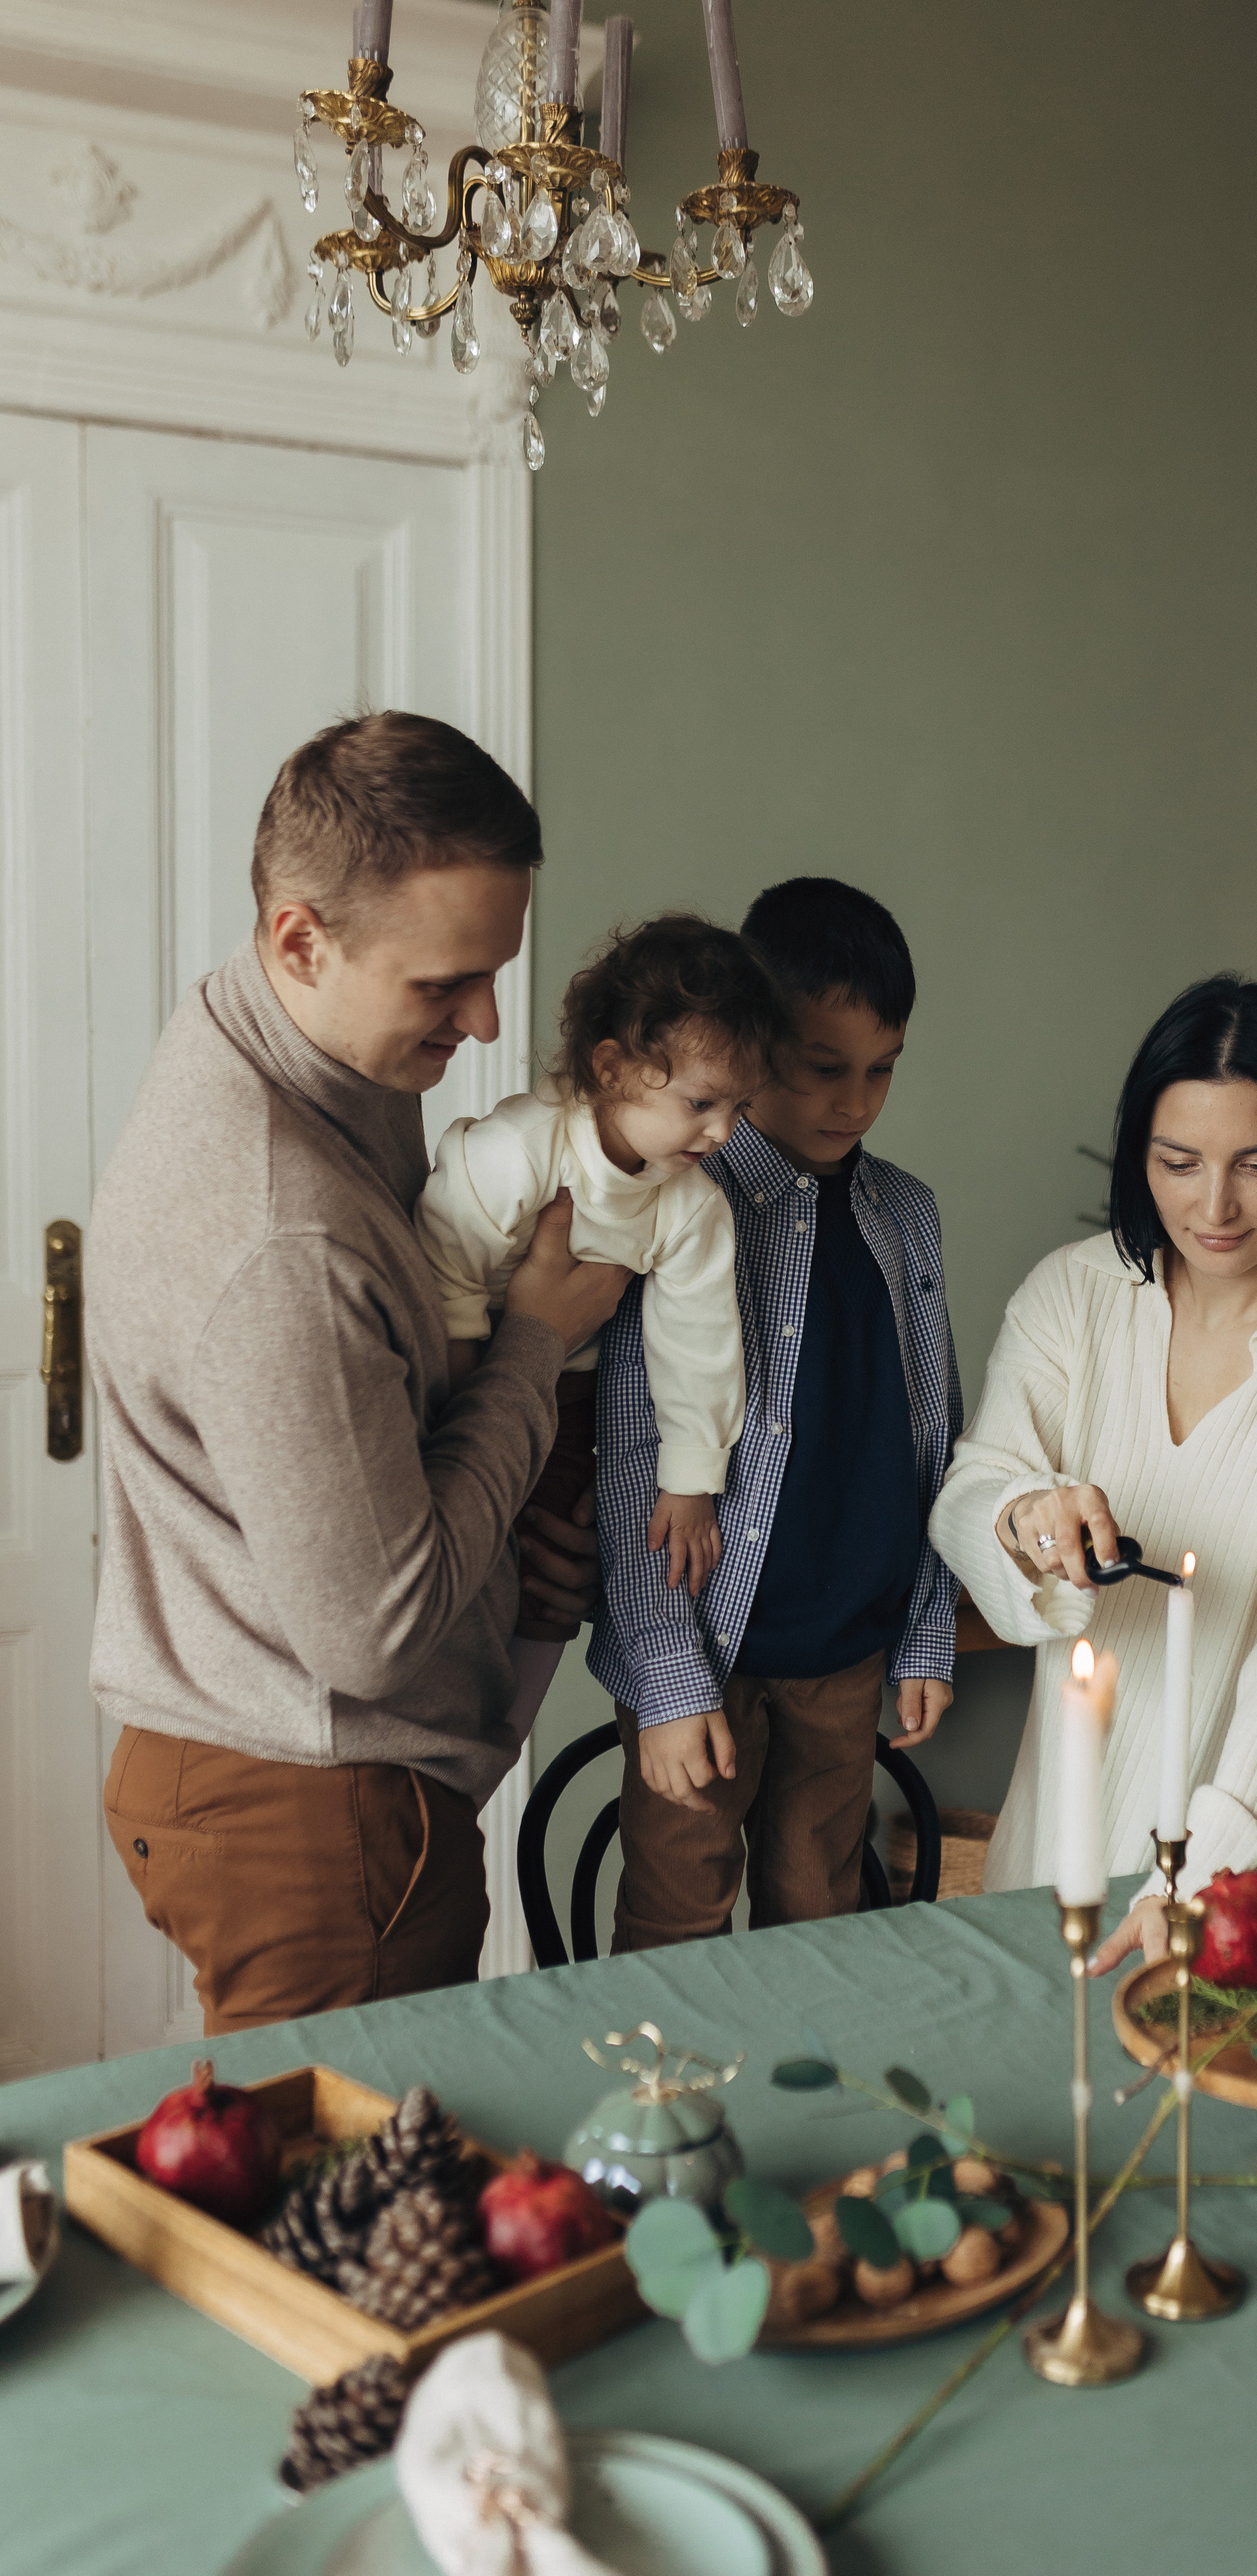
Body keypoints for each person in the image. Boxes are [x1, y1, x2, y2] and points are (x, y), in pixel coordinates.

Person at [89, 712, 628, 2033]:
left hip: (270, 1759)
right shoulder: (278, 1230)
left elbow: (371, 1403)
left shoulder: (295, 1045)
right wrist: (536, 1345)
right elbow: (377, 1636)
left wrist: (510, 1536)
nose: (487, 1019)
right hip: (317, 1810)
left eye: (492, 970)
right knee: (330, 2234)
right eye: (444, 983)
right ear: (299, 939)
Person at [928, 973, 1257, 1974]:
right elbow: (969, 1493)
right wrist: (1026, 1515)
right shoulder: (1074, 1295)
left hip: (1241, 1893)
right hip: (1049, 1858)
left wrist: (1194, 1889)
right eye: (1179, 1162)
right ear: (1139, 1158)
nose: (1216, 1207)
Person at [588, 877, 962, 1947]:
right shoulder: (680, 1206)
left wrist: (925, 1628)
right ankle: (667, 2117)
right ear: (757, 1047)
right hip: (705, 1648)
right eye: (821, 1069)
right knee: (676, 1917)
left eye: (881, 1071)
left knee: (822, 1919)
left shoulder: (909, 1213)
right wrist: (664, 1674)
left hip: (846, 1656)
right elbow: (631, 1453)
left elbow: (937, 1433)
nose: (855, 1102)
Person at [415, 914, 795, 1737]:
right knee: (474, 1548)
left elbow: (700, 1344)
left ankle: (503, 1729)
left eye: (737, 1106)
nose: (724, 1132)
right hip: (469, 1363)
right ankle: (449, 1716)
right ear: (614, 1067)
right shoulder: (521, 1150)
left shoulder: (689, 1205)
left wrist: (690, 1482)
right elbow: (447, 1268)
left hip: (573, 1394)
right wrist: (461, 1396)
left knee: (560, 1554)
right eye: (701, 1102)